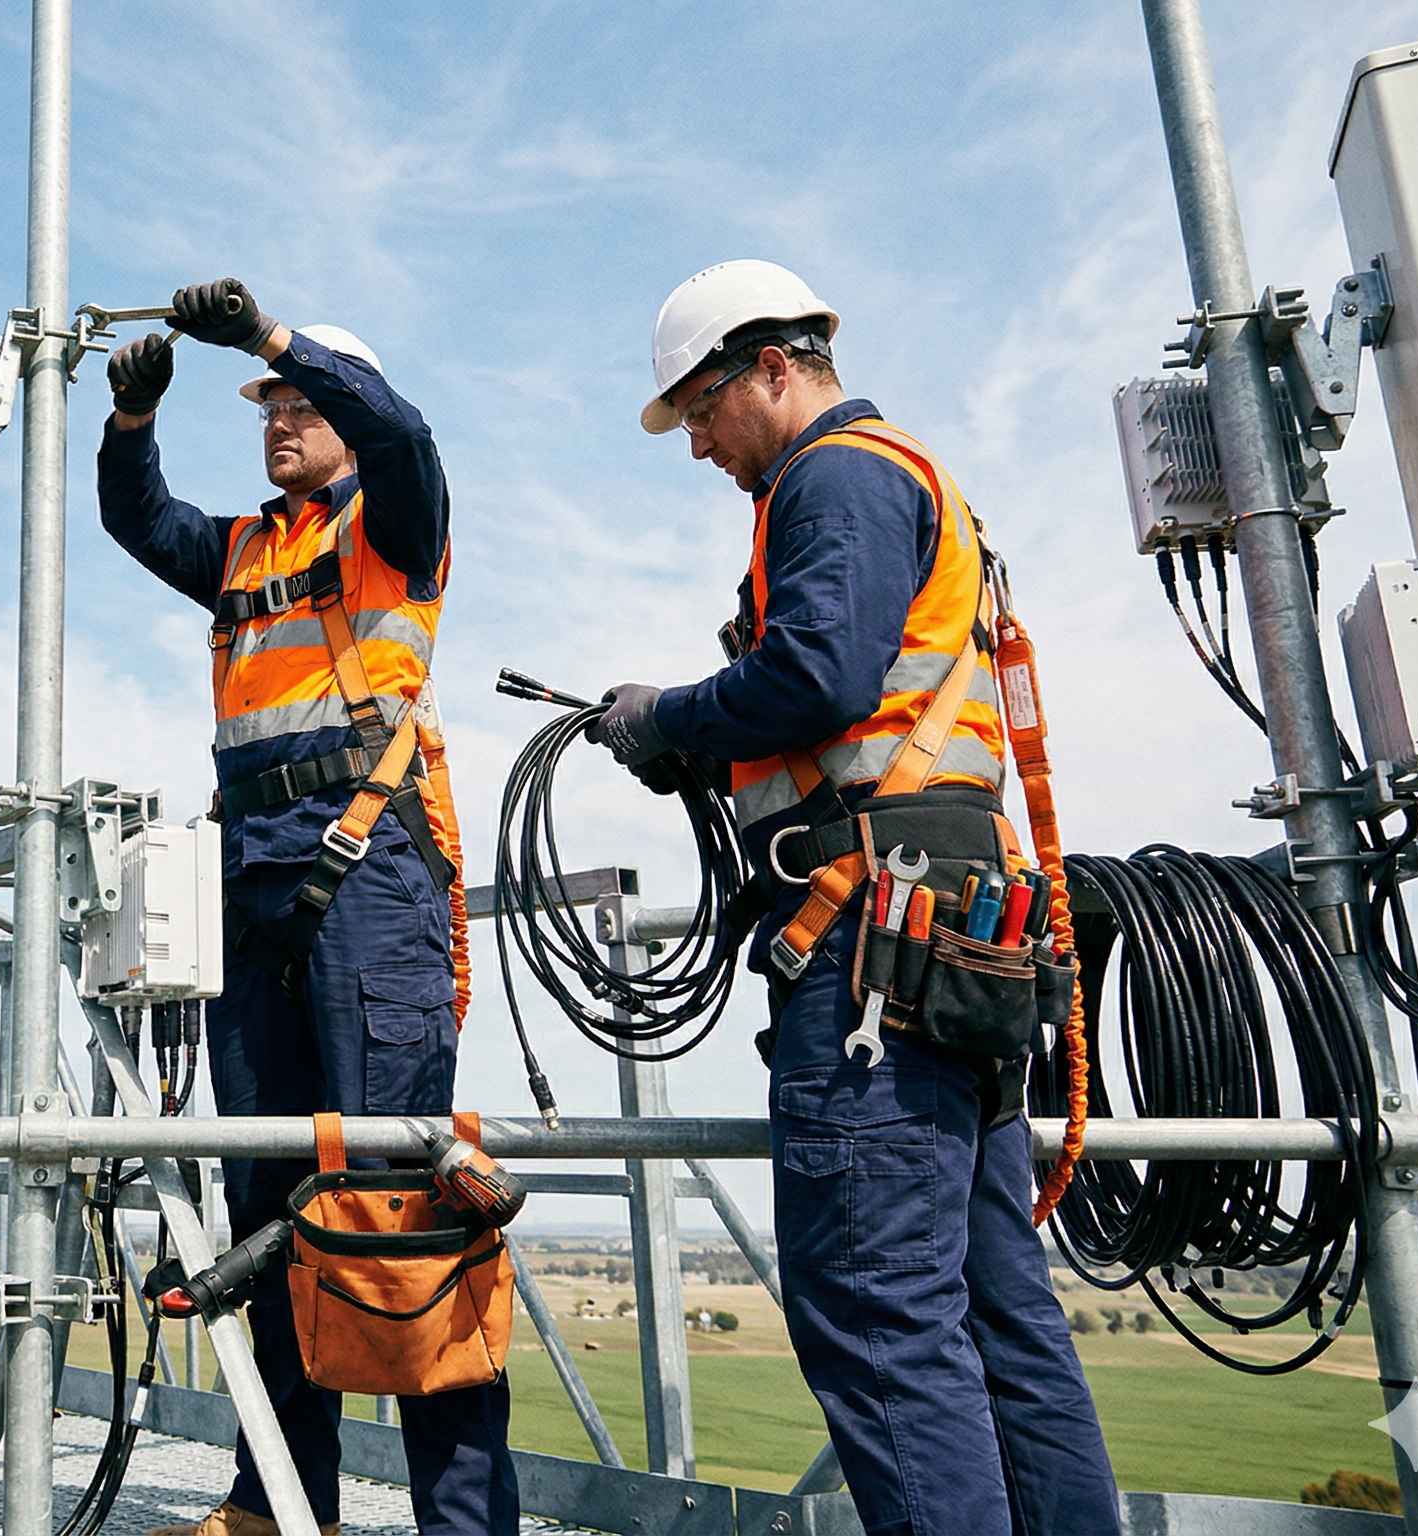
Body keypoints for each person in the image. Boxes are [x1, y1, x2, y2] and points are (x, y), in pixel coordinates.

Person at [597, 259, 1119, 1535]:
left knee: (877, 1314)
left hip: (874, 940)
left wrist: (669, 716)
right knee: (995, 1315)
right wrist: (700, 743)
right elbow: (846, 702)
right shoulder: (912, 479)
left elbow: (816, 677)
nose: (700, 444)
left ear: (772, 367)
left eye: (703, 409)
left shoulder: (831, 476)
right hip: (948, 934)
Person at [97, 279, 510, 1536]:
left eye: (296, 404)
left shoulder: (395, 522)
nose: (277, 420)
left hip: (365, 861)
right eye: (266, 406)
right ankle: (277, 1504)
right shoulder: (240, 549)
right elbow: (137, 521)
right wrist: (130, 424)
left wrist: (275, 337)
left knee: (399, 1196)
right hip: (249, 874)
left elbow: (402, 432)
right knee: (266, 1201)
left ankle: (458, 1522)